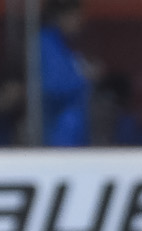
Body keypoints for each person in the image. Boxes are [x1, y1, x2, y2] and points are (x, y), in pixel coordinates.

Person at [38, 0, 94, 148]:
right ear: (61, 16)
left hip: (74, 132)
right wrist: (83, 77)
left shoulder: (65, 45)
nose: (80, 21)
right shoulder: (46, 42)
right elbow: (51, 87)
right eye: (75, 15)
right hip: (58, 133)